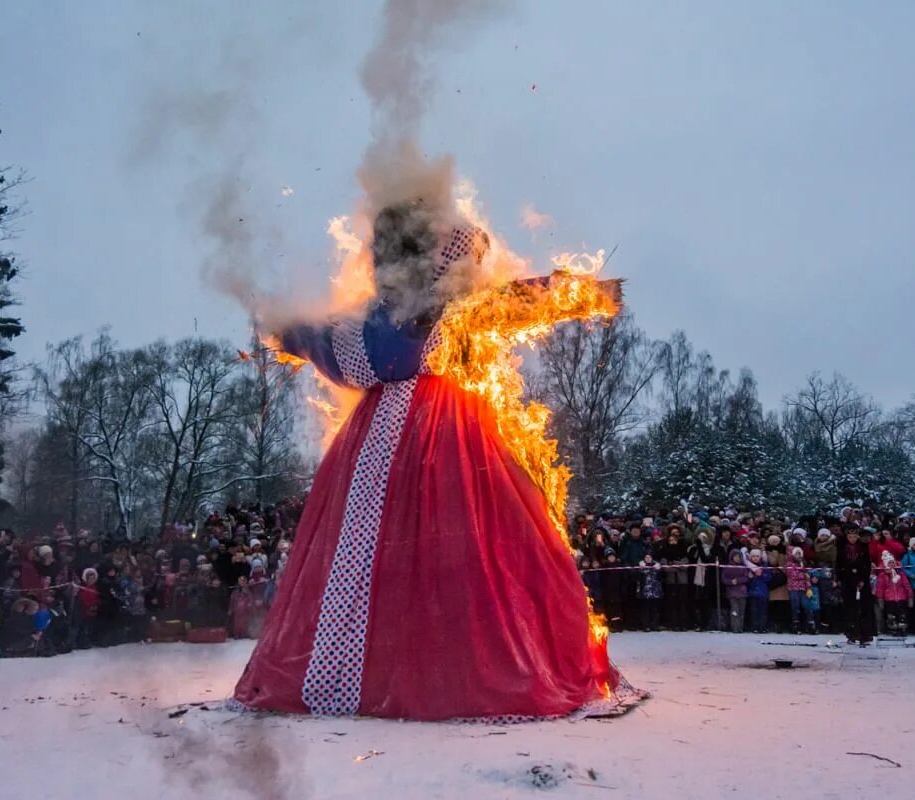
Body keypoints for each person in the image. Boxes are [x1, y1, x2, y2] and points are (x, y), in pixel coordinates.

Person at [231, 202, 638, 720]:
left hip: (367, 454)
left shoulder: (354, 329)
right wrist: (587, 294)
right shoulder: (450, 312)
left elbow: (307, 338)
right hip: (449, 436)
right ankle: (450, 671)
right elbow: (521, 299)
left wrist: (280, 331)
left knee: (363, 557)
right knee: (473, 550)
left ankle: (344, 672)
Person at [836, 527, 875, 645]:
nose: (852, 539)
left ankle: (865, 635)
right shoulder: (843, 549)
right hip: (848, 581)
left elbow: (867, 565)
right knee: (850, 608)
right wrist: (838, 578)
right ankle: (851, 634)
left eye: (854, 537)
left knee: (863, 608)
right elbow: (838, 564)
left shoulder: (863, 549)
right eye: (850, 537)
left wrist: (863, 579)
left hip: (861, 581)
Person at [873, 551, 912, 636]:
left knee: (902, 614)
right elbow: (880, 588)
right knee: (891, 615)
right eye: (889, 563)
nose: (891, 564)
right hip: (889, 599)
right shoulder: (882, 575)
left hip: (901, 598)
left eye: (892, 562)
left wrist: (910, 596)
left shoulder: (900, 574)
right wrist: (880, 598)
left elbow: (906, 585)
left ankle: (902, 628)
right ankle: (893, 628)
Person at [721, 550, 748, 633]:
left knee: (742, 611)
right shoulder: (727, 567)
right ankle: (735, 628)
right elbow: (723, 579)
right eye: (735, 556)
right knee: (735, 610)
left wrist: (738, 580)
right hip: (732, 592)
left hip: (742, 592)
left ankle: (740, 628)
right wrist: (730, 582)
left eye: (739, 556)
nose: (737, 558)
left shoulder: (743, 567)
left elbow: (746, 578)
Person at [746, 551, 772, 634]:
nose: (755, 558)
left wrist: (761, 575)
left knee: (763, 611)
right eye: (753, 556)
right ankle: (755, 627)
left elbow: (769, 578)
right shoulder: (748, 567)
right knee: (754, 611)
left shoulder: (764, 566)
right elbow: (747, 582)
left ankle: (763, 627)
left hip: (763, 593)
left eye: (757, 556)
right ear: (750, 557)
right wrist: (750, 578)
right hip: (753, 593)